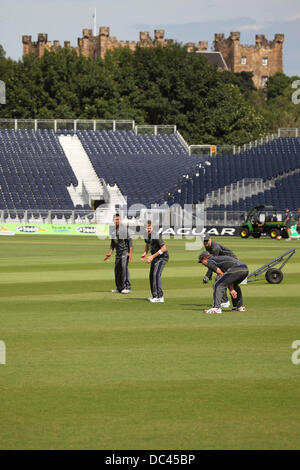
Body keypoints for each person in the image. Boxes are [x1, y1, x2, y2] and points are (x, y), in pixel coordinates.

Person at [202, 235, 238, 308]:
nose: (205, 243)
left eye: (207, 241)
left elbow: (212, 263)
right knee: (221, 281)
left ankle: (225, 301)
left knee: (219, 281)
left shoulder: (215, 248)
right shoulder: (207, 246)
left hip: (231, 263)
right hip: (225, 263)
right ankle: (233, 303)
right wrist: (209, 275)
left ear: (210, 239)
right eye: (204, 241)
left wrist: (207, 276)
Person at [141, 220, 169, 303]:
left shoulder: (155, 234)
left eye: (150, 227)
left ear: (152, 227)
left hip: (162, 257)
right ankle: (154, 295)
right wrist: (145, 253)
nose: (149, 229)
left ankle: (160, 297)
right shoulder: (145, 235)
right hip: (155, 257)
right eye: (147, 228)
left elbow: (164, 248)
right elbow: (147, 244)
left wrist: (152, 256)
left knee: (156, 275)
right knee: (151, 276)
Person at [104, 213, 133, 294]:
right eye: (115, 219)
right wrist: (110, 253)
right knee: (117, 269)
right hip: (118, 253)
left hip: (125, 251)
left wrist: (130, 253)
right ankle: (119, 287)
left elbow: (130, 240)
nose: (117, 221)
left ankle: (127, 287)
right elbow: (113, 243)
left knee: (124, 268)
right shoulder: (112, 229)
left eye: (118, 219)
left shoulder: (123, 228)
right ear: (113, 220)